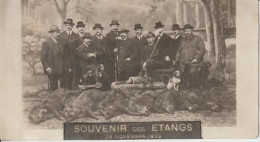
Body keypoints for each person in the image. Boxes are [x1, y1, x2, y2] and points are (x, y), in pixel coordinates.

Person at [41, 25, 71, 92]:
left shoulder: (61, 42)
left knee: (65, 87)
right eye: (56, 32)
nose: (58, 34)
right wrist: (47, 67)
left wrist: (68, 67)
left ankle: (63, 101)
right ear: (51, 33)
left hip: (62, 68)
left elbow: (65, 56)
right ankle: (53, 101)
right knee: (54, 88)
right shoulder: (46, 43)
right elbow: (43, 58)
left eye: (58, 32)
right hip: (52, 69)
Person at [59, 18, 81, 89]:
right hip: (64, 60)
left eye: (70, 25)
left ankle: (72, 92)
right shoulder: (61, 35)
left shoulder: (76, 36)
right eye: (67, 25)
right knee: (64, 77)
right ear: (65, 26)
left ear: (72, 26)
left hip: (74, 60)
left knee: (73, 76)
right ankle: (64, 92)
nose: (69, 27)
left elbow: (79, 47)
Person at [91, 23, 111, 90]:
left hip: (106, 62)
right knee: (99, 77)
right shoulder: (92, 40)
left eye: (99, 29)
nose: (97, 31)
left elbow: (108, 51)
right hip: (97, 62)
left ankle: (106, 92)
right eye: (96, 29)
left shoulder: (105, 39)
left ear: (101, 30)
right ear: (94, 30)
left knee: (106, 77)